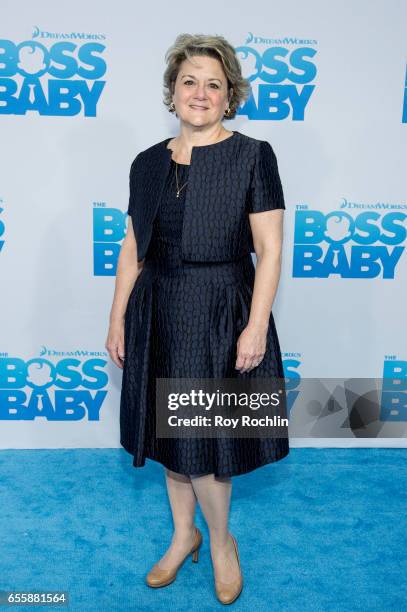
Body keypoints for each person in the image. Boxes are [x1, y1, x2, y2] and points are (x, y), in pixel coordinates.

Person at [106, 33, 289, 605]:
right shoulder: (145, 164)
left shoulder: (253, 154)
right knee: (170, 438)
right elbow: (133, 246)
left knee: (207, 443)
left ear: (230, 96)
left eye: (214, 84)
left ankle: (220, 543)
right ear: (173, 91)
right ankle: (183, 535)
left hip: (219, 312)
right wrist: (117, 320)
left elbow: (271, 248)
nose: (200, 93)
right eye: (190, 81)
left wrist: (256, 324)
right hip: (158, 311)